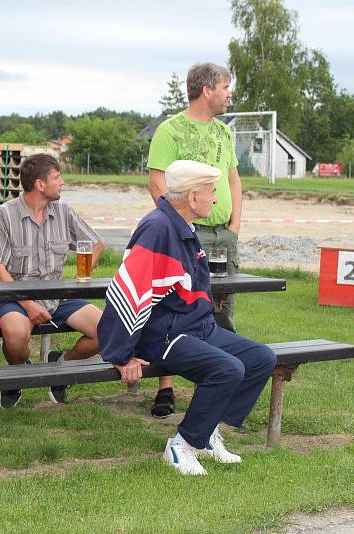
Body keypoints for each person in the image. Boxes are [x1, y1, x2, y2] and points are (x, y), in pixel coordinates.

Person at [98, 160, 275, 476]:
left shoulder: (181, 225)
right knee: (228, 369)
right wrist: (121, 355)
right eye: (212, 192)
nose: (217, 199)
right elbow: (127, 294)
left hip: (197, 327)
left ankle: (205, 433)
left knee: (261, 358)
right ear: (192, 198)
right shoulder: (157, 229)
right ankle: (182, 445)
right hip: (165, 335)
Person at [145, 62, 241, 419]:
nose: (229, 93)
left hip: (222, 235)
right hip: (186, 231)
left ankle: (218, 383)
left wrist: (235, 225)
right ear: (207, 89)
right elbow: (157, 184)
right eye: (226, 86)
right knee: (174, 307)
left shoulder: (224, 132)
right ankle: (165, 387)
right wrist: (175, 227)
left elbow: (233, 179)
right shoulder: (171, 130)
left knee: (222, 307)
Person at [0, 153, 104, 407]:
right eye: (57, 177)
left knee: (107, 330)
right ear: (40, 185)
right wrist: (28, 304)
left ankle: (61, 366)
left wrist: (82, 275)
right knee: (15, 335)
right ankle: (18, 374)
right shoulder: (5, 214)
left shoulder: (63, 211)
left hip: (60, 296)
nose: (62, 183)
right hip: (17, 298)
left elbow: (96, 244)